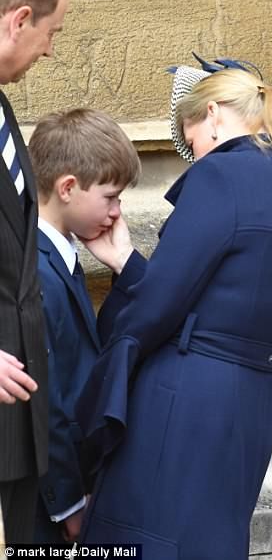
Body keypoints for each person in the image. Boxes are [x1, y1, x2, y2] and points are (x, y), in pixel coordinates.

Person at [75, 65, 272, 558]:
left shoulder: (220, 174)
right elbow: (223, 298)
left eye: (190, 141)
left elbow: (160, 306)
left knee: (144, 539)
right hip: (251, 403)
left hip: (184, 398)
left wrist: (97, 402)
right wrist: (129, 264)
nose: (193, 156)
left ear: (213, 115)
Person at [27, 108, 141, 544]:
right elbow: (46, 399)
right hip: (51, 503)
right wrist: (70, 502)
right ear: (68, 188)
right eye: (110, 197)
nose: (116, 212)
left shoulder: (60, 257)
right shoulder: (36, 273)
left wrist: (121, 263)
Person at [0, 0, 67, 543]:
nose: (50, 49)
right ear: (19, 20)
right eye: (51, 33)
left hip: (20, 430)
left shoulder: (2, 107)